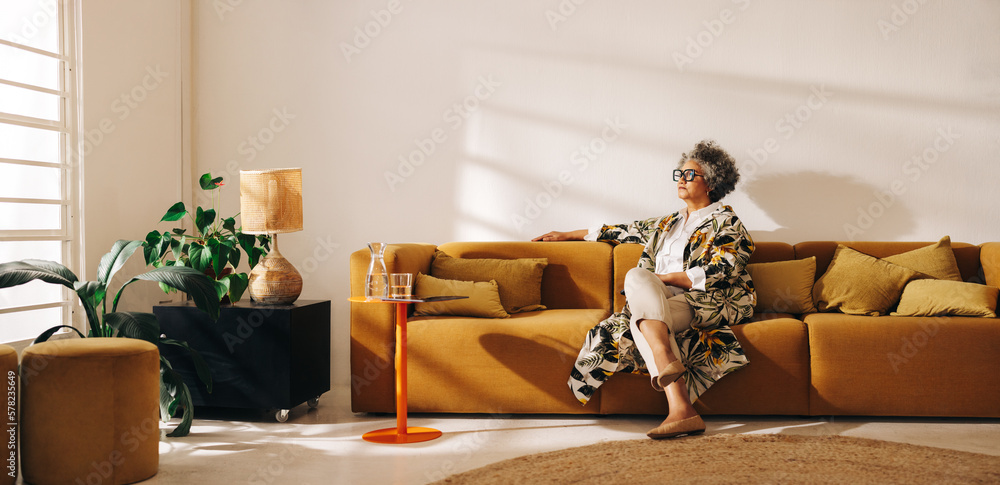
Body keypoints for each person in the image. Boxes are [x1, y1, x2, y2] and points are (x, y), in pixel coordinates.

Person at [533, 140, 755, 439]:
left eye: (691, 175)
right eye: (680, 174)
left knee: (642, 317)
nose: (682, 180)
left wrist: (665, 279)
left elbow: (723, 268)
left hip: (707, 299)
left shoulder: (727, 223)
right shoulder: (668, 222)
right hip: (660, 301)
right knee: (638, 276)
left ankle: (673, 384)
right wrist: (565, 234)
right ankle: (680, 404)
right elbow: (621, 230)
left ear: (712, 182)